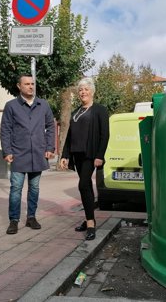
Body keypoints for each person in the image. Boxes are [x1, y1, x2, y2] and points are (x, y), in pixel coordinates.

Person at [0, 74, 55, 235]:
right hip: (18, 154)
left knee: (34, 188)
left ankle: (31, 217)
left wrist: (50, 147)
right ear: (19, 86)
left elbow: (51, 127)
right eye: (27, 84)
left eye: (32, 84)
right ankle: (14, 220)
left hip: (37, 153)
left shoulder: (43, 105)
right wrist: (7, 151)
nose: (31, 86)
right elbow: (5, 130)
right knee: (16, 188)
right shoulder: (11, 106)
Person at [60, 77, 109, 241]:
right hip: (77, 154)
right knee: (86, 185)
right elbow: (69, 135)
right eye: (80, 90)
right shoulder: (76, 112)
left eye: (86, 89)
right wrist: (65, 155)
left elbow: (104, 135)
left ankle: (90, 224)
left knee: (83, 185)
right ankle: (90, 219)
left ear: (92, 91)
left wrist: (100, 156)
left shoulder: (100, 110)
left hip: (90, 154)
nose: (83, 92)